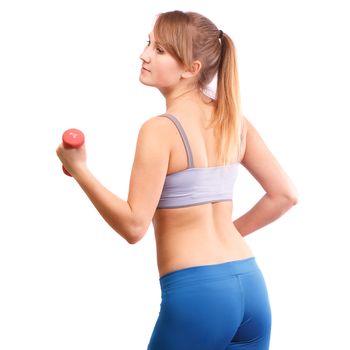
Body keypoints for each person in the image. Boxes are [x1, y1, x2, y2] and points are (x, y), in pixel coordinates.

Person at [56, 10, 298, 350]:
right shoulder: (233, 122)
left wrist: (79, 169)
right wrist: (225, 236)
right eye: (148, 44)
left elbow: (133, 226)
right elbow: (284, 195)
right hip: (250, 286)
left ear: (190, 69)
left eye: (159, 50)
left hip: (198, 297)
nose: (144, 55)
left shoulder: (160, 130)